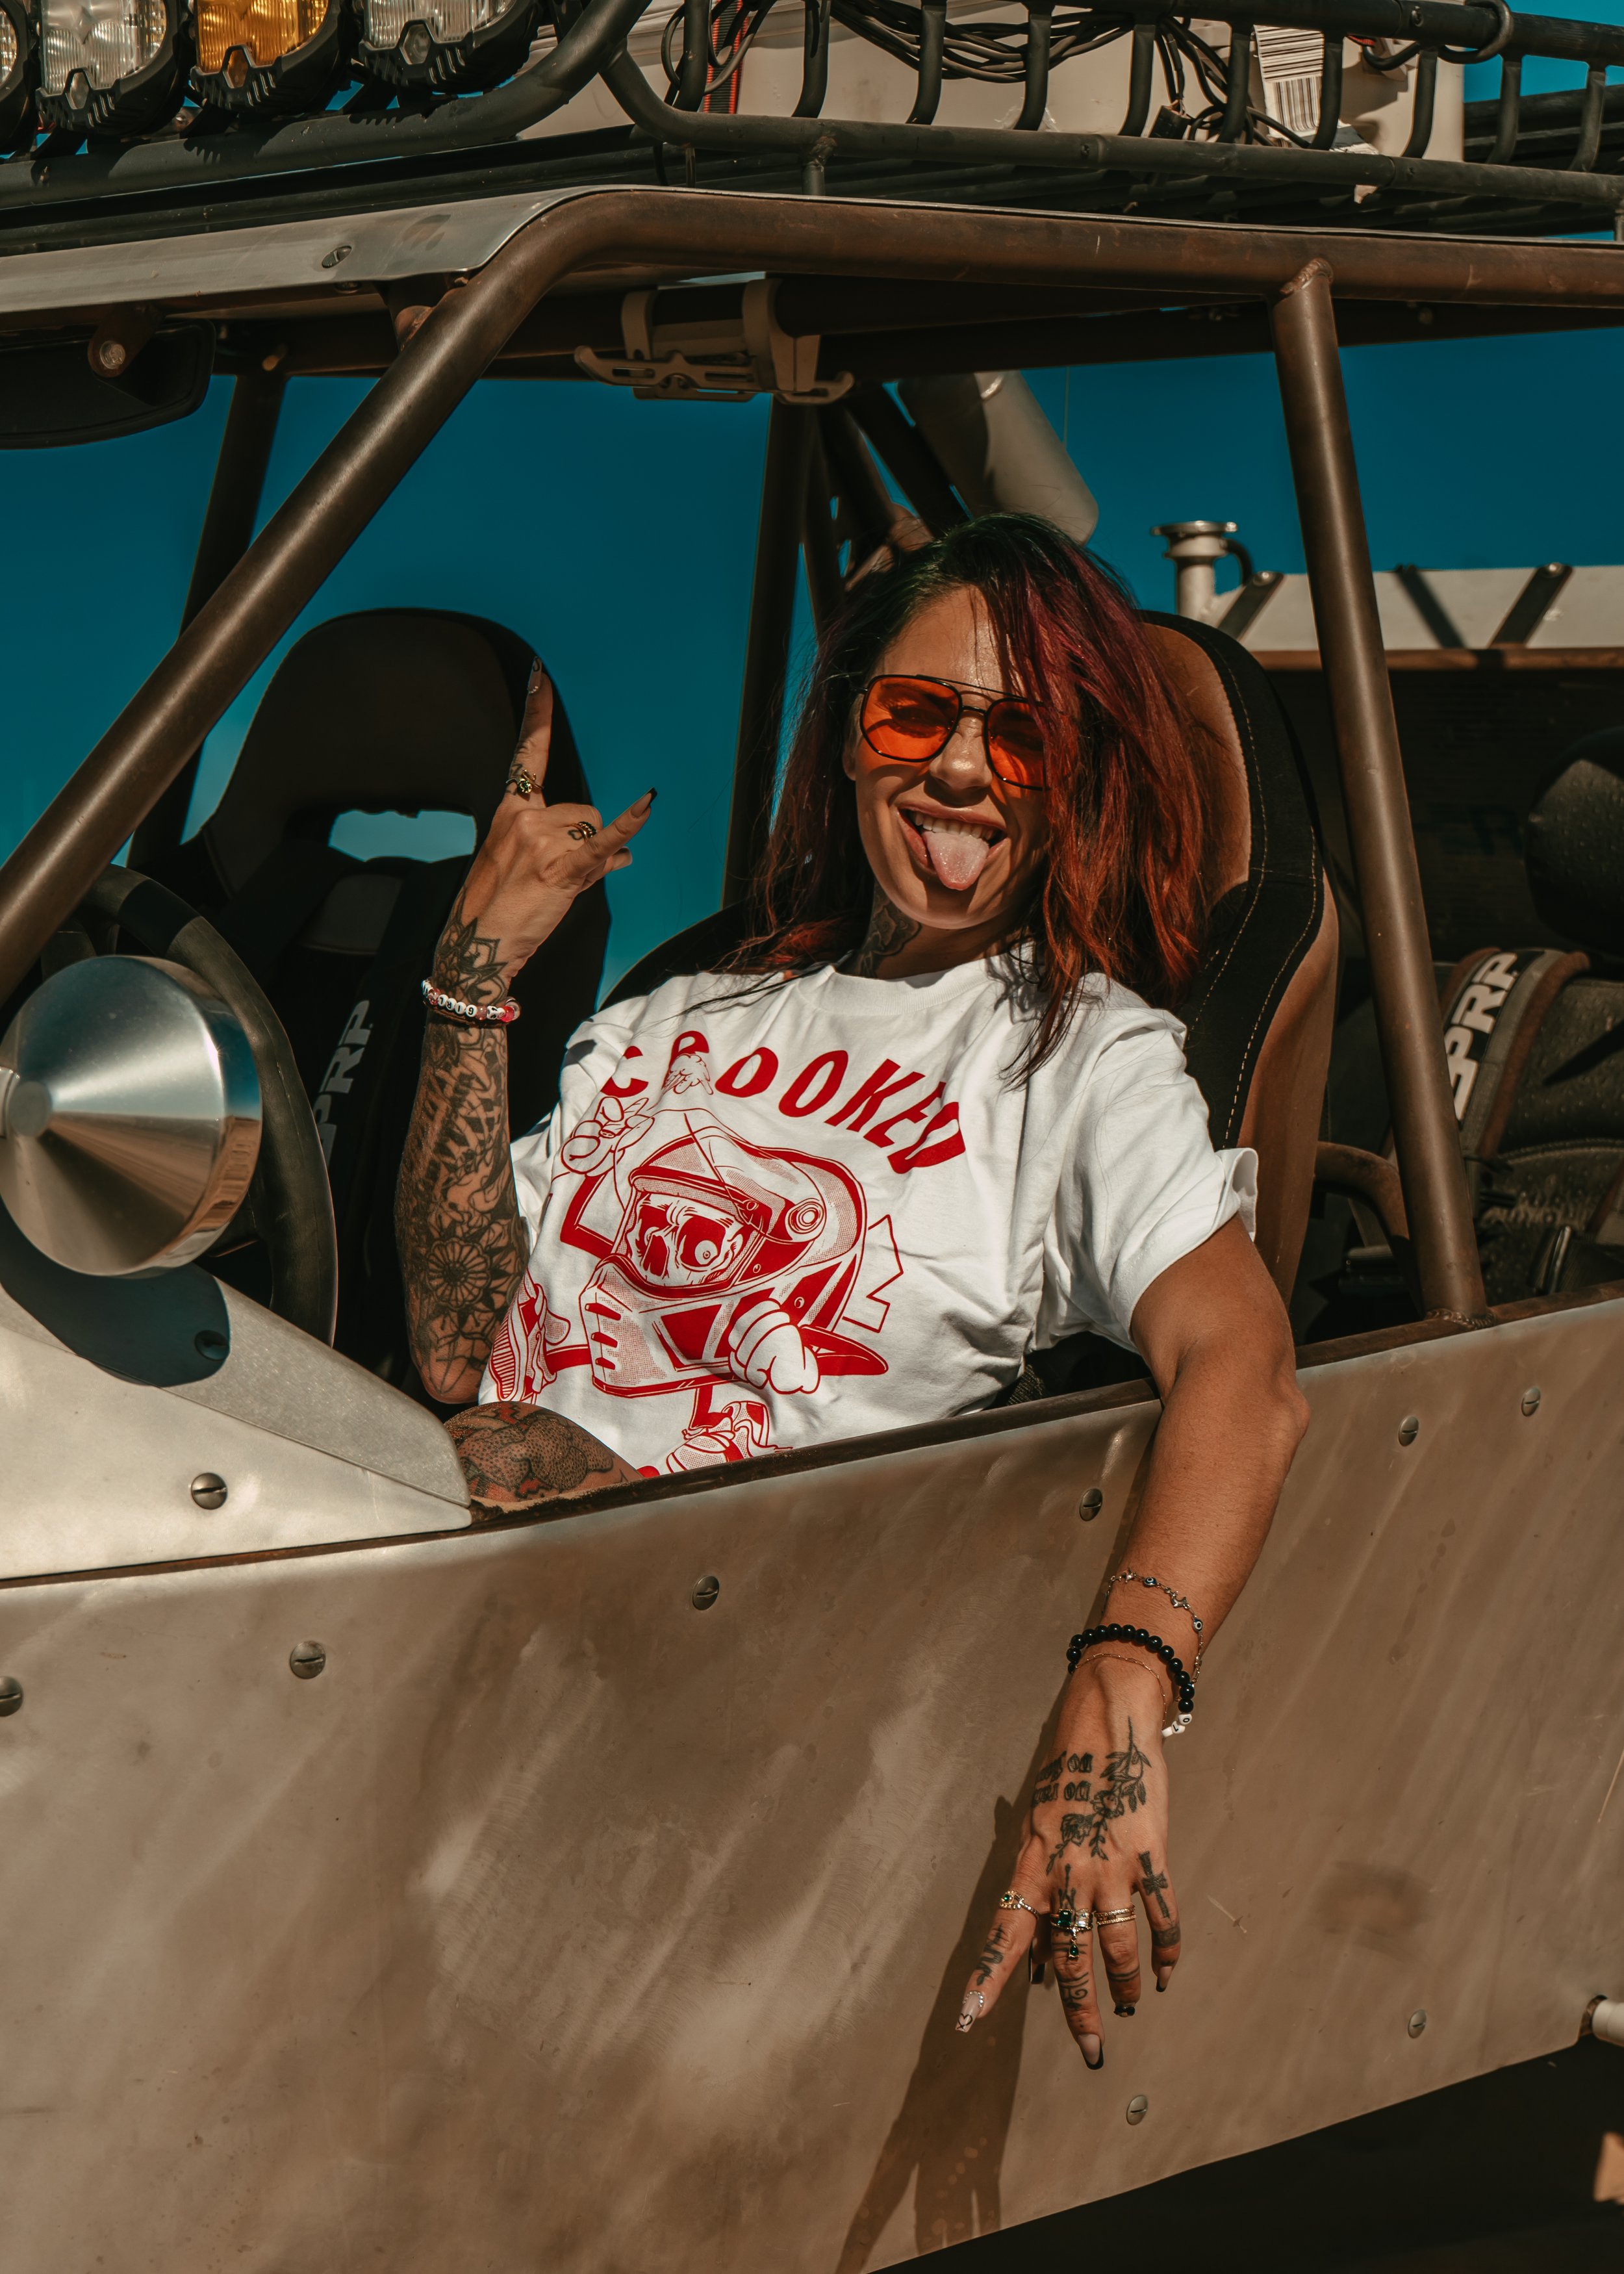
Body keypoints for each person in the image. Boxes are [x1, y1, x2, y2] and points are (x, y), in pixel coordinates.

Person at [396, 512, 1309, 2069]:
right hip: (434, 1617)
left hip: (732, 1682)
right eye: (914, 714)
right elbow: (451, 1346)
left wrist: (1123, 1679)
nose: (960, 769)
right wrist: (475, 972)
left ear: (1077, 772)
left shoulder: (1078, 1060)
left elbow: (1243, 1364)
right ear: (846, 741)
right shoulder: (680, 1004)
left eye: (1020, 735)